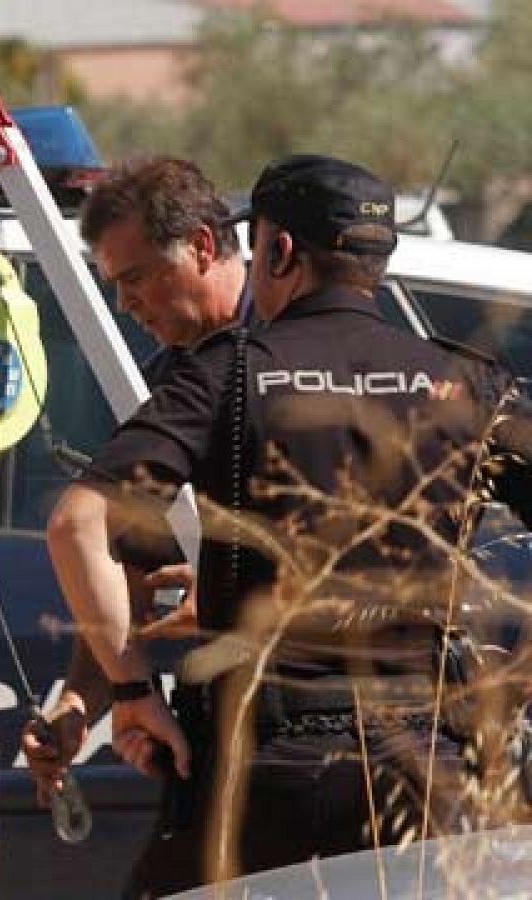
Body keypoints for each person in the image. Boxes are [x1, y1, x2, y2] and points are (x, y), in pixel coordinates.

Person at [46, 153, 532, 895]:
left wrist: (133, 689)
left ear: (276, 251)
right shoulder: (464, 378)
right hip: (421, 767)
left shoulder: (227, 374)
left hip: (264, 770)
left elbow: (78, 526)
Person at [20, 157, 244, 820]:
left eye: (137, 276)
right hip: (225, 727)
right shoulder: (168, 377)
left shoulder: (297, 350)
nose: (126, 303)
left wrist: (243, 587)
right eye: (114, 284)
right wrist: (81, 703)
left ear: (203, 246)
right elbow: (132, 564)